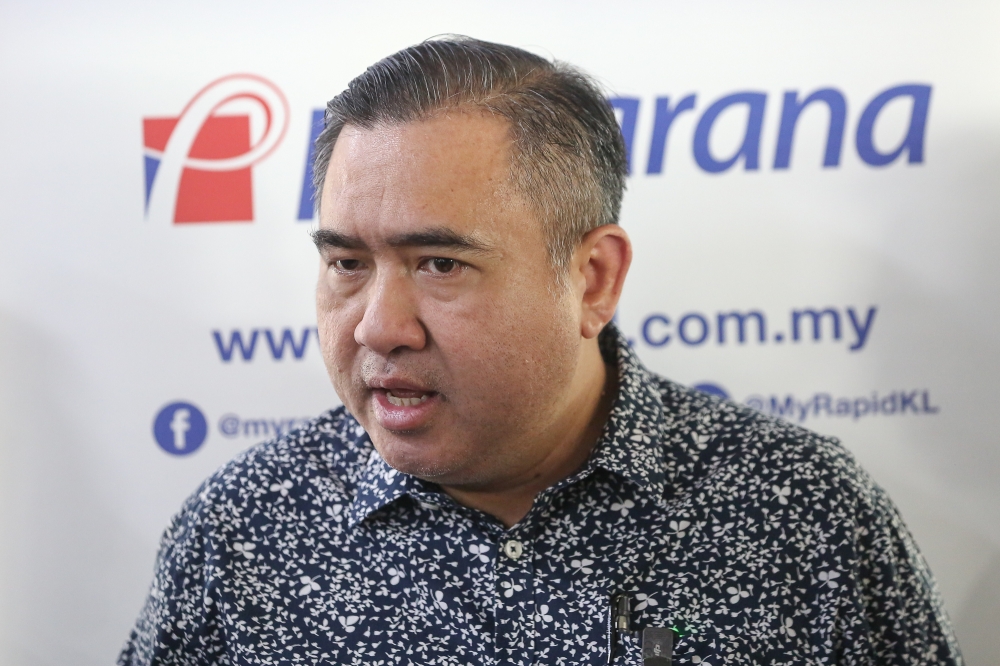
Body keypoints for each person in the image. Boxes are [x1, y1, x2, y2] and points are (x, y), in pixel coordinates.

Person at [120, 37, 963, 665]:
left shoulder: (800, 514)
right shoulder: (241, 535)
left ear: (593, 278)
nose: (378, 326)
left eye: (440, 263)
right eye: (346, 262)